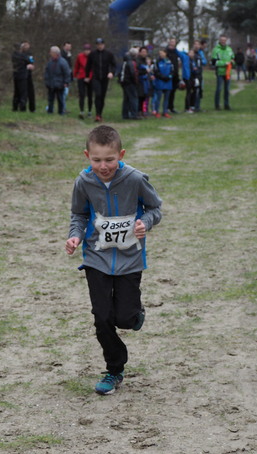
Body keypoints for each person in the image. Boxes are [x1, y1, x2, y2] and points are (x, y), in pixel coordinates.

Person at [65, 125, 162, 395]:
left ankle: (135, 315)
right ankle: (114, 369)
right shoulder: (83, 182)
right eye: (96, 160)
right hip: (96, 257)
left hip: (130, 259)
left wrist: (145, 222)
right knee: (102, 316)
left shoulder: (134, 179)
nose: (103, 166)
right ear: (87, 156)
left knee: (125, 318)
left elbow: (156, 207)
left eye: (109, 159)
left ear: (121, 154)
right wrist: (74, 237)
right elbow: (79, 215)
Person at [85, 38, 116, 123]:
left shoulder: (109, 54)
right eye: (98, 44)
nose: (100, 46)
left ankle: (100, 113)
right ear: (96, 45)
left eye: (101, 44)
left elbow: (113, 65)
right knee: (97, 94)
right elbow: (88, 66)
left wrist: (111, 72)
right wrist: (87, 76)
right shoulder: (92, 54)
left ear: (104, 45)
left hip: (105, 77)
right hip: (96, 77)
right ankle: (97, 114)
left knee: (102, 96)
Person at [44, 46, 71, 115]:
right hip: (51, 84)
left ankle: (61, 112)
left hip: (60, 84)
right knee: (50, 99)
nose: (50, 53)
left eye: (51, 52)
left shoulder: (63, 62)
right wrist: (47, 81)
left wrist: (66, 82)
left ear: (55, 53)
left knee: (60, 99)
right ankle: (50, 111)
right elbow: (47, 72)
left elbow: (67, 73)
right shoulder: (50, 62)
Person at [211, 35, 235, 110]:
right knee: (219, 89)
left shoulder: (229, 49)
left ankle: (226, 104)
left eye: (224, 40)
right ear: (219, 40)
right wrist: (224, 63)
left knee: (227, 89)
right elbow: (214, 62)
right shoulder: (216, 50)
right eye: (222, 40)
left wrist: (232, 62)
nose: (223, 41)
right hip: (220, 72)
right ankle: (217, 105)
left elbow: (233, 59)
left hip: (228, 73)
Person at [11, 41, 35, 112]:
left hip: (18, 75)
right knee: (22, 92)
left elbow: (31, 60)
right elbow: (29, 60)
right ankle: (22, 107)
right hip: (22, 76)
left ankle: (15, 107)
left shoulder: (15, 55)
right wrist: (28, 65)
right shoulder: (21, 55)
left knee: (17, 92)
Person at [151, 48, 173, 118]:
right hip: (160, 82)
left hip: (168, 82)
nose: (161, 54)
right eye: (160, 53)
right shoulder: (157, 62)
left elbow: (173, 71)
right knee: (158, 98)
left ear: (165, 53)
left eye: (162, 53)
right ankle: (156, 111)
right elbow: (156, 72)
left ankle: (165, 112)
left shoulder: (170, 61)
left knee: (166, 98)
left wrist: (169, 77)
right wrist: (163, 77)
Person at [120, 47, 141, 120]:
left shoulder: (125, 61)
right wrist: (136, 81)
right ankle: (134, 114)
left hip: (124, 82)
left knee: (126, 99)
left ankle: (125, 114)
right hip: (130, 82)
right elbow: (133, 73)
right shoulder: (131, 62)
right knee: (133, 98)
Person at [74, 43, 93, 119]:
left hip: (91, 77)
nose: (86, 52)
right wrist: (75, 75)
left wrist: (89, 77)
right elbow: (76, 66)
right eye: (85, 50)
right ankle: (81, 111)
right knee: (81, 94)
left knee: (90, 95)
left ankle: (89, 111)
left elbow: (93, 68)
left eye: (88, 50)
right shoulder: (80, 56)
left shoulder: (93, 57)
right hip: (81, 76)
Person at [165, 38, 181, 113]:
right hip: (169, 74)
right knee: (168, 91)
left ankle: (171, 107)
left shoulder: (176, 52)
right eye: (171, 41)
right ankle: (166, 107)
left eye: (174, 42)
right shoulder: (166, 51)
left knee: (173, 91)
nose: (172, 43)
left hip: (175, 74)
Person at [192, 40, 208, 111]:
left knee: (199, 90)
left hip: (199, 74)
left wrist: (201, 60)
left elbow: (204, 62)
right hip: (193, 75)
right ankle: (192, 106)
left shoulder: (200, 53)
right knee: (194, 91)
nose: (196, 46)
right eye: (195, 44)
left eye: (198, 44)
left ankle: (197, 106)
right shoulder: (192, 53)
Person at [137, 47, 152, 117]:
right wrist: (145, 71)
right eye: (142, 52)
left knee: (144, 97)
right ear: (140, 52)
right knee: (140, 97)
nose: (144, 53)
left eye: (145, 52)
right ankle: (139, 111)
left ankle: (143, 111)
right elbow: (137, 71)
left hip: (146, 82)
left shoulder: (145, 61)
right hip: (139, 81)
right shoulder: (138, 60)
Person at [61, 42, 73, 112]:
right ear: (64, 47)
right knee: (64, 93)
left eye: (69, 46)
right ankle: (62, 108)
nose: (68, 48)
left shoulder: (69, 54)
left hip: (68, 76)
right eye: (67, 46)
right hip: (63, 77)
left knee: (65, 93)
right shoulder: (62, 55)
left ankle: (63, 107)